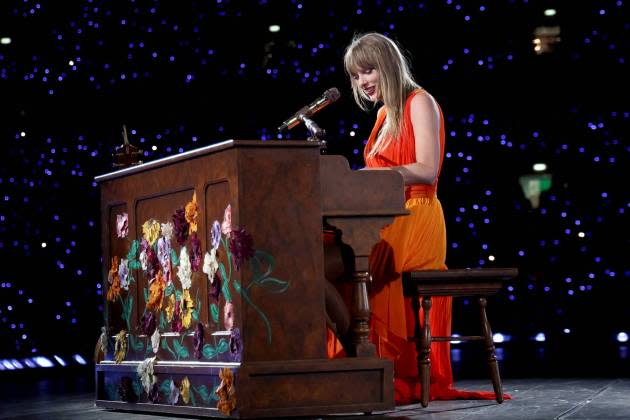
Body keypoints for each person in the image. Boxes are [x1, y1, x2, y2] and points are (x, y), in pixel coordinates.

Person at [327, 32, 505, 404]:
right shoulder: (382, 116)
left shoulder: (419, 102)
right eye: (356, 76)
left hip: (416, 215)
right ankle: (356, 363)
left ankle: (385, 368)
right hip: (383, 217)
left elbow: (425, 169)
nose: (363, 82)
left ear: (389, 66)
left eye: (369, 71)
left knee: (364, 274)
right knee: (328, 262)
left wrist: (368, 176)